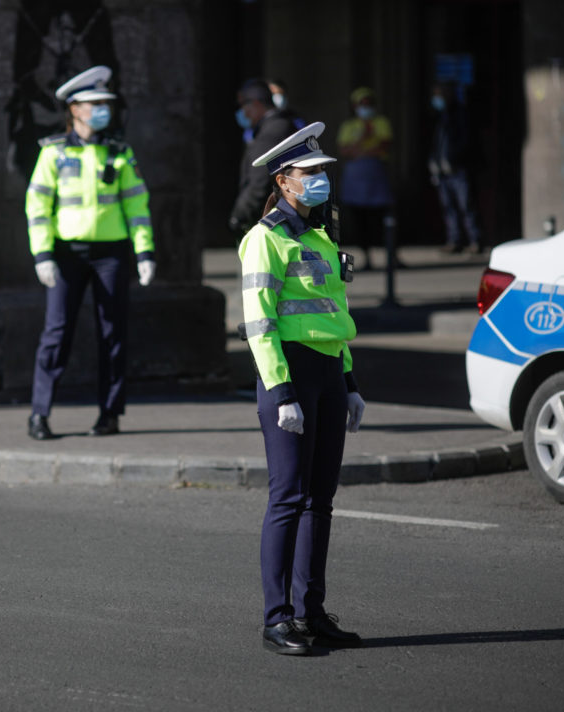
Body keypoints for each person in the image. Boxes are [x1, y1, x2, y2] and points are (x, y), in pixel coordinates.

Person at [238, 122, 366, 655]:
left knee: (321, 501)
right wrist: (282, 390)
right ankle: (276, 619)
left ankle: (310, 612)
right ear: (284, 180)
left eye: (322, 172)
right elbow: (259, 323)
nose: (319, 180)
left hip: (329, 376)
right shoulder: (266, 239)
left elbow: (333, 316)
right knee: (288, 499)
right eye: (309, 173)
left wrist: (350, 381)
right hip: (289, 375)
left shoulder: (317, 235)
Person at [24, 66, 155, 440]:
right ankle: (39, 414)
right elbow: (37, 207)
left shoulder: (119, 152)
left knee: (113, 333)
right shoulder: (53, 154)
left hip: (110, 253)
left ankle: (109, 414)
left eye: (105, 103)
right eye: (94, 103)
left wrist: (145, 252)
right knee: (56, 332)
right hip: (66, 254)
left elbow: (137, 206)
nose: (102, 110)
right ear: (74, 109)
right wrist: (42, 254)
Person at [229, 79, 297, 235]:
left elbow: (259, 181)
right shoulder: (279, 125)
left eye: (244, 105)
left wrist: (240, 215)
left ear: (256, 103)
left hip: (272, 221)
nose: (243, 112)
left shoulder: (272, 131)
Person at [336, 87, 394, 270]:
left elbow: (384, 147)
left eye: (369, 104)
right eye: (362, 104)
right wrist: (365, 139)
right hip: (355, 176)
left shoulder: (381, 122)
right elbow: (344, 150)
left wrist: (360, 150)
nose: (365, 107)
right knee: (359, 218)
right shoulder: (349, 126)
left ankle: (388, 255)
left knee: (380, 217)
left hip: (375, 173)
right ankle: (366, 256)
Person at [428, 83, 481, 254]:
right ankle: (454, 240)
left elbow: (466, 141)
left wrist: (455, 158)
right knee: (448, 208)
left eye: (440, 94)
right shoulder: (439, 117)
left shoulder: (460, 114)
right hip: (442, 171)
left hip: (459, 169)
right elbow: (436, 142)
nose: (438, 99)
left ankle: (475, 240)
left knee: (466, 206)